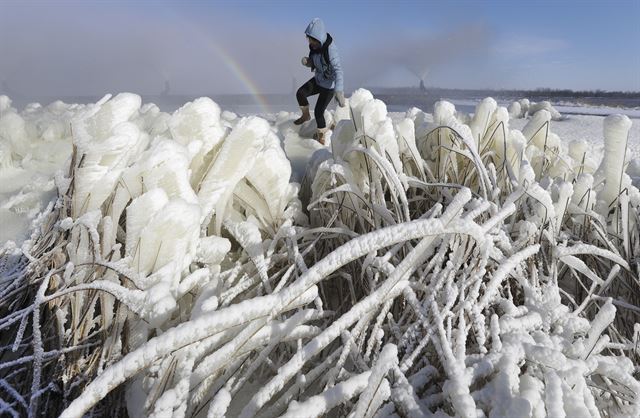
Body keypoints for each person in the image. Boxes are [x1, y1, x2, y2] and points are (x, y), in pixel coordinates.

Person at [294, 18, 345, 145]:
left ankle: (321, 137)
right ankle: (305, 115)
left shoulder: (331, 50)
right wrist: (308, 62)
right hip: (318, 80)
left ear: (318, 37)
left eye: (311, 39)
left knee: (318, 112)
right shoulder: (314, 47)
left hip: (329, 86)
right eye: (308, 39)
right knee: (300, 93)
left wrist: (339, 90)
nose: (309, 42)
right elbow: (316, 63)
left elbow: (339, 70)